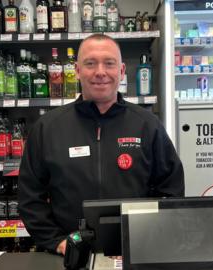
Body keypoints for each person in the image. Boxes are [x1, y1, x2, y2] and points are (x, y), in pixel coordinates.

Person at [18, 34, 184, 255]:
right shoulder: (47, 127)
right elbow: (30, 196)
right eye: (90, 63)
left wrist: (152, 235)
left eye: (109, 63)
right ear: (77, 70)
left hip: (136, 251)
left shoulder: (147, 125)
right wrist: (56, 241)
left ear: (122, 70)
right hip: (69, 255)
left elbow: (171, 190)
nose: (100, 72)